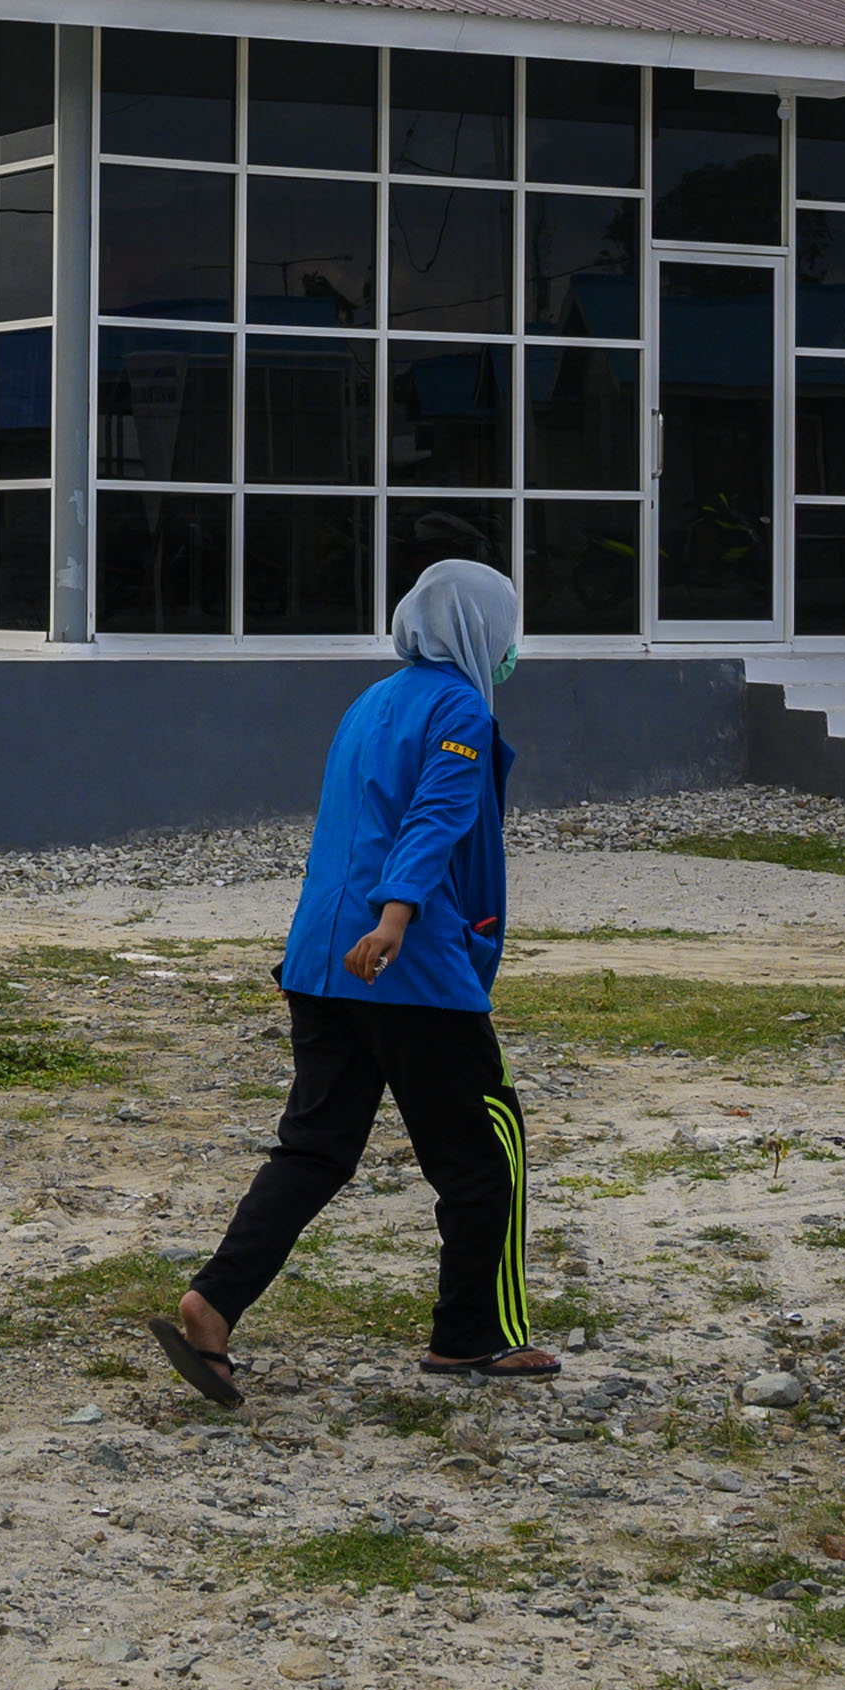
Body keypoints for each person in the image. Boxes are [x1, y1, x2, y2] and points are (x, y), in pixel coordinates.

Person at [152, 557, 555, 1406]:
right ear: (481, 630)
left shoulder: (370, 703)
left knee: (316, 1149)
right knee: (488, 1153)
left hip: (320, 966)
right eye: (507, 627)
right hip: (407, 966)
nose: (513, 646)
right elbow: (436, 817)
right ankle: (472, 1337)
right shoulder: (461, 707)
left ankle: (213, 1303)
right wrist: (399, 916)